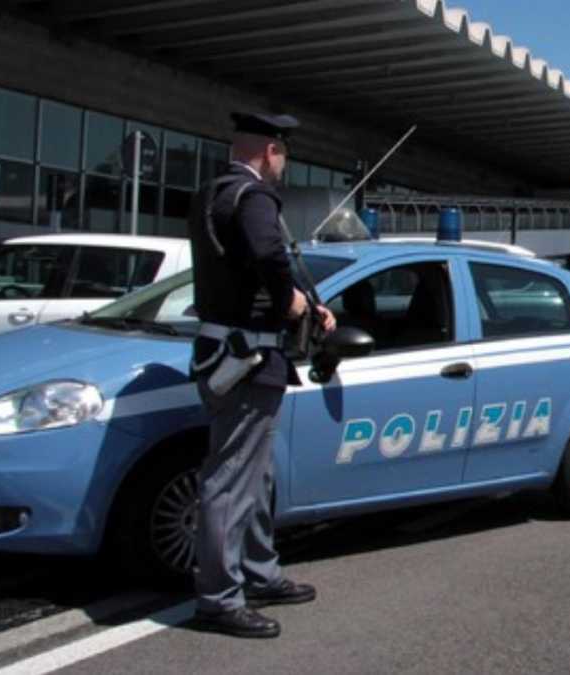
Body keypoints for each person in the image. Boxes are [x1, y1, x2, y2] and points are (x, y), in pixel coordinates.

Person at [187, 112, 336, 638]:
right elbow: (269, 256)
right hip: (249, 359)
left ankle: (258, 571)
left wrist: (307, 304)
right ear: (271, 150)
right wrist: (295, 301)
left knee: (255, 475)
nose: (283, 167)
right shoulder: (253, 198)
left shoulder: (211, 192)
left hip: (222, 352)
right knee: (231, 481)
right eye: (284, 156)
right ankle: (220, 598)